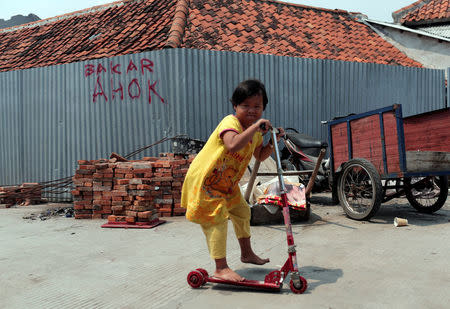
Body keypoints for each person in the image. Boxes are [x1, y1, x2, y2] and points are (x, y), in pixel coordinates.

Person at [181, 79, 284, 282]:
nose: (252, 110)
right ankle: (221, 268)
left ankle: (247, 254)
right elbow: (233, 145)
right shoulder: (230, 123)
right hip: (207, 182)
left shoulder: (254, 134)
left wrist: (272, 142)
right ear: (235, 106)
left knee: (242, 211)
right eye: (245, 105)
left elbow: (260, 155)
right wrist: (255, 128)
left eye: (257, 106)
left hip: (226, 185)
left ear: (264, 107)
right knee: (216, 218)